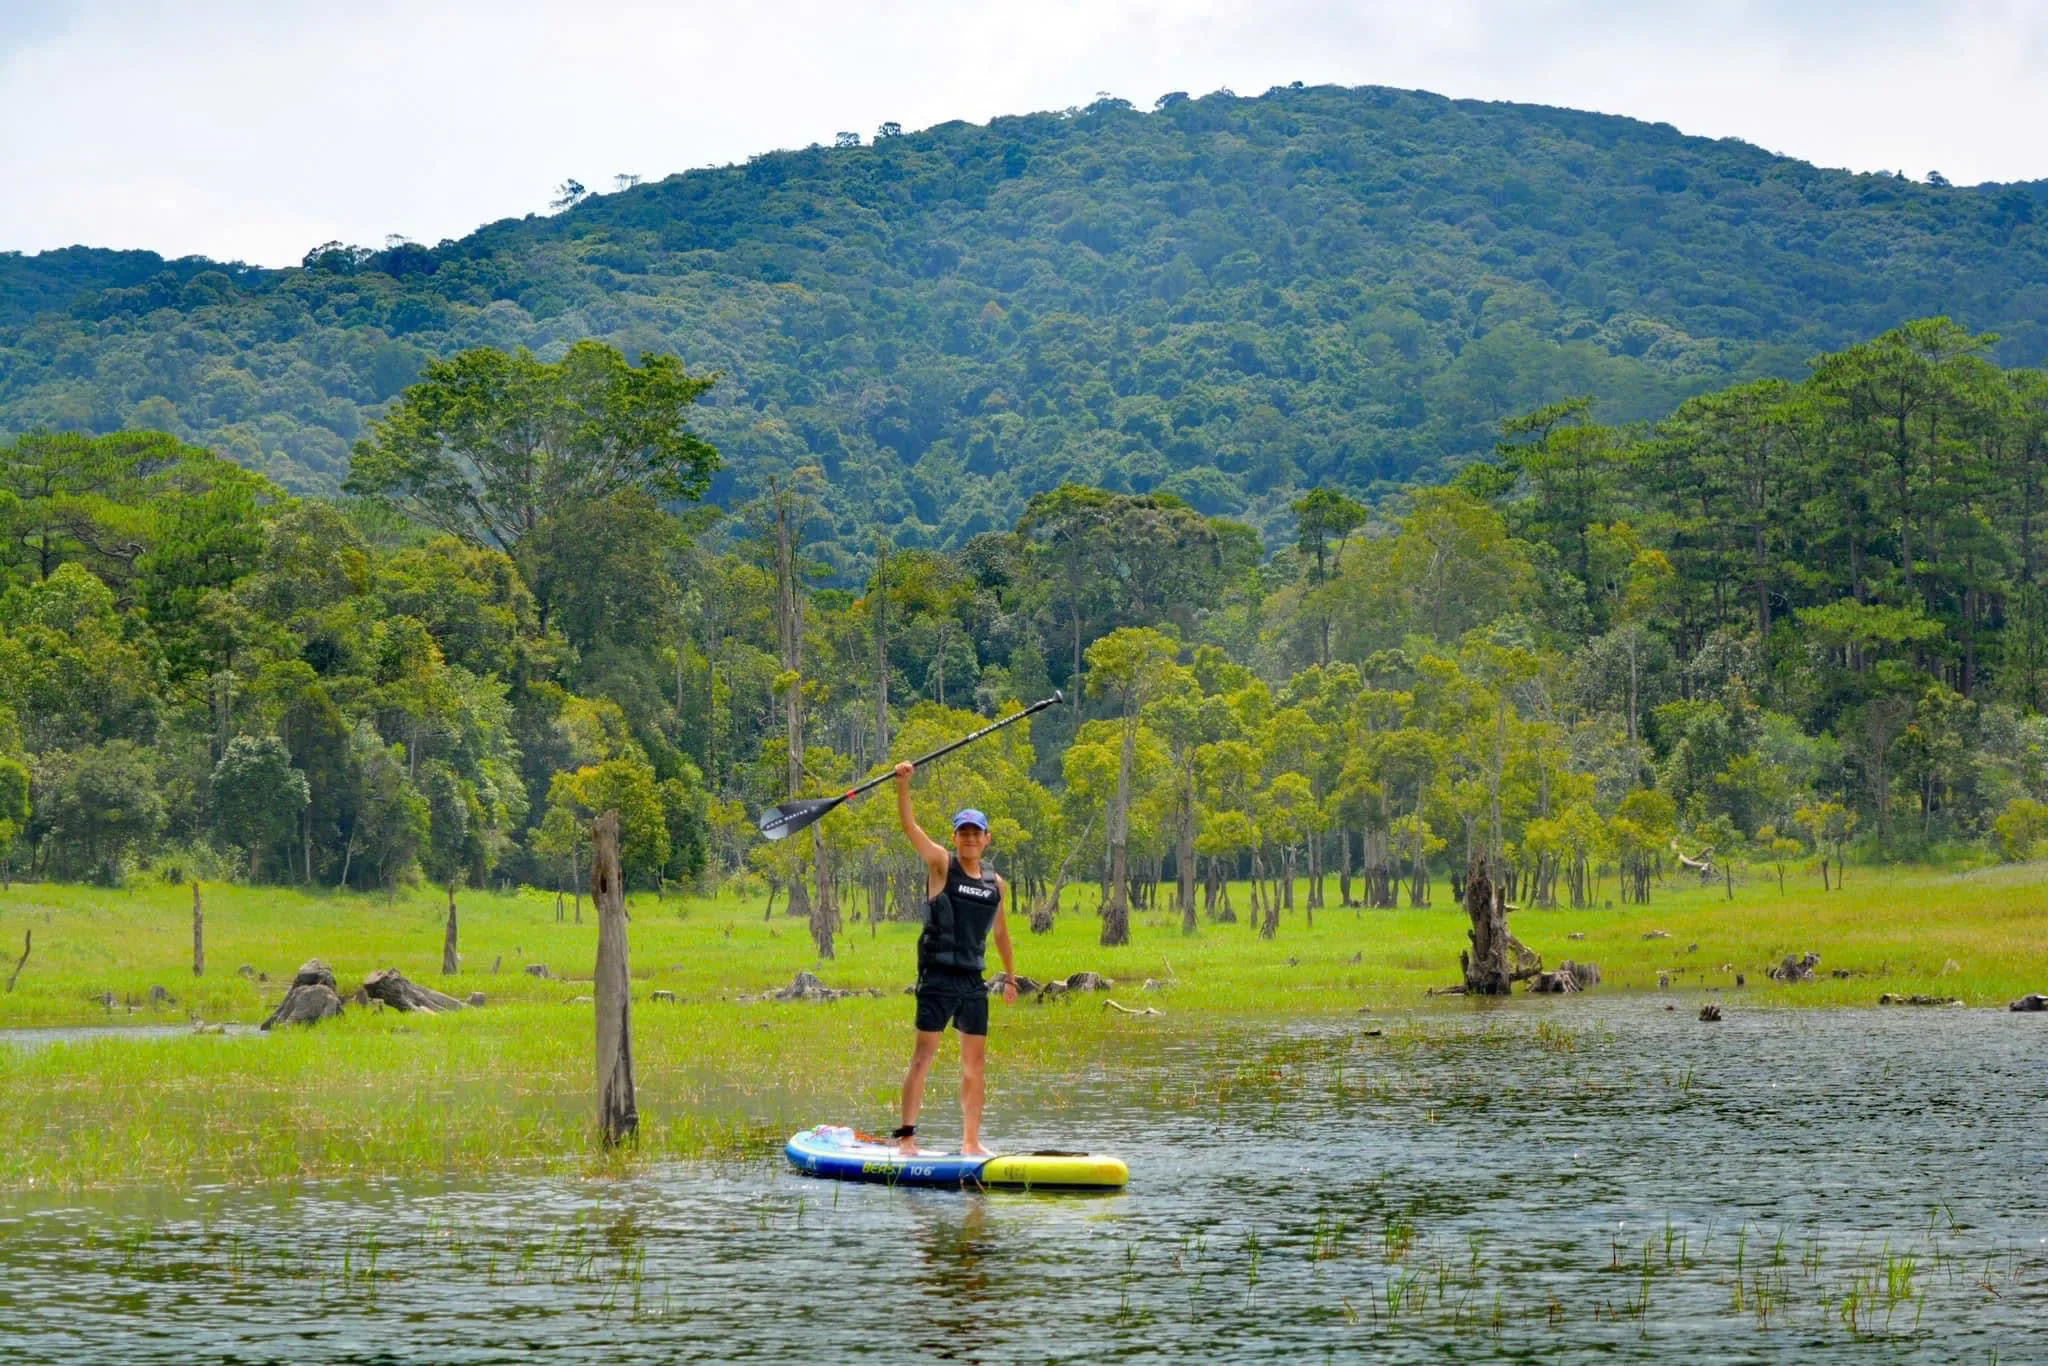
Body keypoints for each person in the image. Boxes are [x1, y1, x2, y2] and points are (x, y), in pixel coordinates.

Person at [892, 760, 1018, 1156]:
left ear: (986, 839)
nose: (968, 839)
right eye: (962, 832)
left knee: (974, 1067)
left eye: (975, 833)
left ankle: (970, 1142)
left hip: (972, 983)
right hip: (937, 978)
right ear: (955, 836)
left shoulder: (995, 883)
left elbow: (1000, 933)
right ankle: (907, 1139)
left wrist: (1011, 977)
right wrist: (903, 786)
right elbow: (911, 830)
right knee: (923, 1057)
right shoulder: (941, 864)